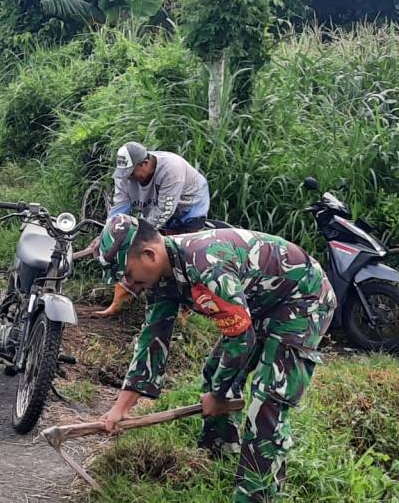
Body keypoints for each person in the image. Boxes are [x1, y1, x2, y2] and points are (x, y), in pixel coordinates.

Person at [93, 214, 335, 502]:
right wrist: (121, 408)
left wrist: (218, 395)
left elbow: (241, 340)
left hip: (303, 299)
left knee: (268, 398)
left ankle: (256, 494)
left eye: (130, 274)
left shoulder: (206, 265)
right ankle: (220, 453)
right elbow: (152, 340)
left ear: (149, 254)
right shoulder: (161, 276)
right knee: (214, 372)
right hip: (260, 303)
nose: (131, 284)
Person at [97, 141, 210, 317]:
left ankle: (185, 312)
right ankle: (119, 303)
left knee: (182, 259)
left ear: (145, 163)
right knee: (136, 255)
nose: (129, 178)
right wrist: (107, 237)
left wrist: (135, 236)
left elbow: (164, 210)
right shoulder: (124, 176)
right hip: (155, 207)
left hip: (188, 209)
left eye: (132, 172)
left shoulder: (172, 169)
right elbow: (119, 209)